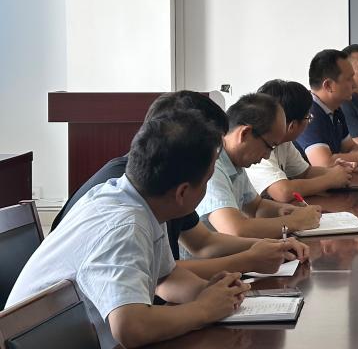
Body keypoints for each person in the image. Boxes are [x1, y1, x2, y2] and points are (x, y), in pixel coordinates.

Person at [6, 109, 251, 348]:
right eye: (207, 180)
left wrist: (207, 291)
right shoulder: (125, 226)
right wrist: (203, 309)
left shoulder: (138, 201)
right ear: (182, 193)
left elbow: (166, 277)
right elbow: (131, 328)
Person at [50, 91, 307, 278]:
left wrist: (270, 248)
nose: (215, 157)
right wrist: (248, 259)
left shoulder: (163, 183)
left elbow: (202, 244)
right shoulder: (130, 193)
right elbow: (158, 283)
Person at [196, 93, 323, 238]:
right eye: (269, 146)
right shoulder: (212, 165)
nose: (267, 156)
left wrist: (288, 210)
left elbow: (257, 207)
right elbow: (235, 230)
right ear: (245, 133)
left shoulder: (235, 163)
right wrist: (295, 221)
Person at [247, 79, 356, 202]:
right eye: (308, 117)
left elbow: (304, 172)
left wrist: (334, 171)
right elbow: (283, 192)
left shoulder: (284, 142)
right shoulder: (258, 145)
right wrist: (330, 180)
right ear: (292, 126)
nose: (309, 122)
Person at [296, 48, 358, 167]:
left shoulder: (335, 109)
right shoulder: (308, 112)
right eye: (349, 79)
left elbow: (350, 149)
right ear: (328, 85)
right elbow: (324, 163)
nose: (354, 85)